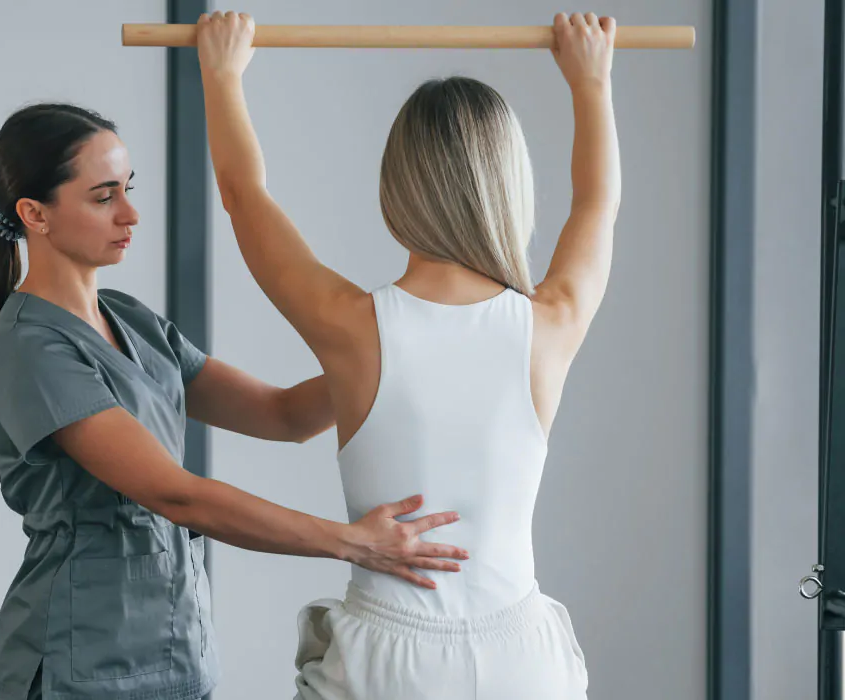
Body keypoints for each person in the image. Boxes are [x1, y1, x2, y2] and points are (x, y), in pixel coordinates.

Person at [0, 103, 469, 700]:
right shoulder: (32, 349)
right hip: (82, 663)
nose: (130, 213)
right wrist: (350, 540)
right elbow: (174, 493)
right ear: (35, 214)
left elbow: (283, 416)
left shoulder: (131, 320)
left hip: (178, 652)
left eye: (128, 190)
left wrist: (393, 347)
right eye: (103, 197)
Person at [196, 10, 620, 699]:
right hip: (523, 666)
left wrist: (222, 72)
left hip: (388, 665)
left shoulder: (351, 326)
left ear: (395, 190)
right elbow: (597, 203)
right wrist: (591, 81)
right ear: (510, 186)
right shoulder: (552, 322)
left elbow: (245, 198)